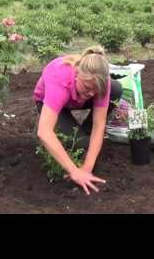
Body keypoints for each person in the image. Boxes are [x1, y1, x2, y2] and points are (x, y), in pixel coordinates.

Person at [33, 45, 122, 195]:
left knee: (116, 88)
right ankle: (50, 120)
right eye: (87, 87)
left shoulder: (101, 83)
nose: (92, 93)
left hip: (74, 98)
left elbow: (99, 125)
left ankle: (81, 133)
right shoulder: (59, 80)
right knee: (78, 144)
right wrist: (74, 171)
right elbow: (44, 132)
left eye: (96, 90)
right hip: (50, 101)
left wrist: (87, 167)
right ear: (77, 75)